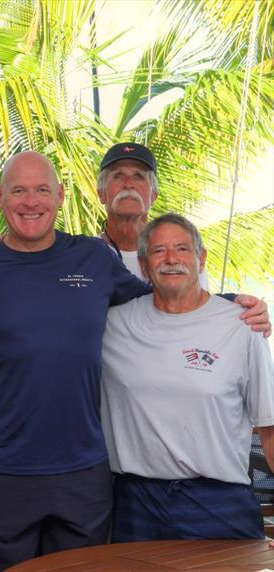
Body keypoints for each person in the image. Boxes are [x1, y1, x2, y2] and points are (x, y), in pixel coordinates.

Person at [0, 151, 270, 570]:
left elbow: (160, 298)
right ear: (1, 197)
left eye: (42, 190)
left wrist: (230, 305)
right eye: (18, 190)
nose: (31, 201)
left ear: (59, 196)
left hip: (83, 472)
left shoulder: (93, 257)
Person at [101, 212, 274, 541]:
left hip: (219, 502)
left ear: (202, 257)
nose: (171, 260)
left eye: (182, 249)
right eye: (158, 251)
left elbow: (269, 430)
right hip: (136, 502)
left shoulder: (243, 324)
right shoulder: (111, 325)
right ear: (142, 264)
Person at [97, 142, 208, 287]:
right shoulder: (86, 255)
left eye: (139, 176)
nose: (128, 184)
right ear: (101, 194)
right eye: (118, 176)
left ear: (153, 196)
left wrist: (234, 300)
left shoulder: (183, 256)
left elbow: (202, 304)